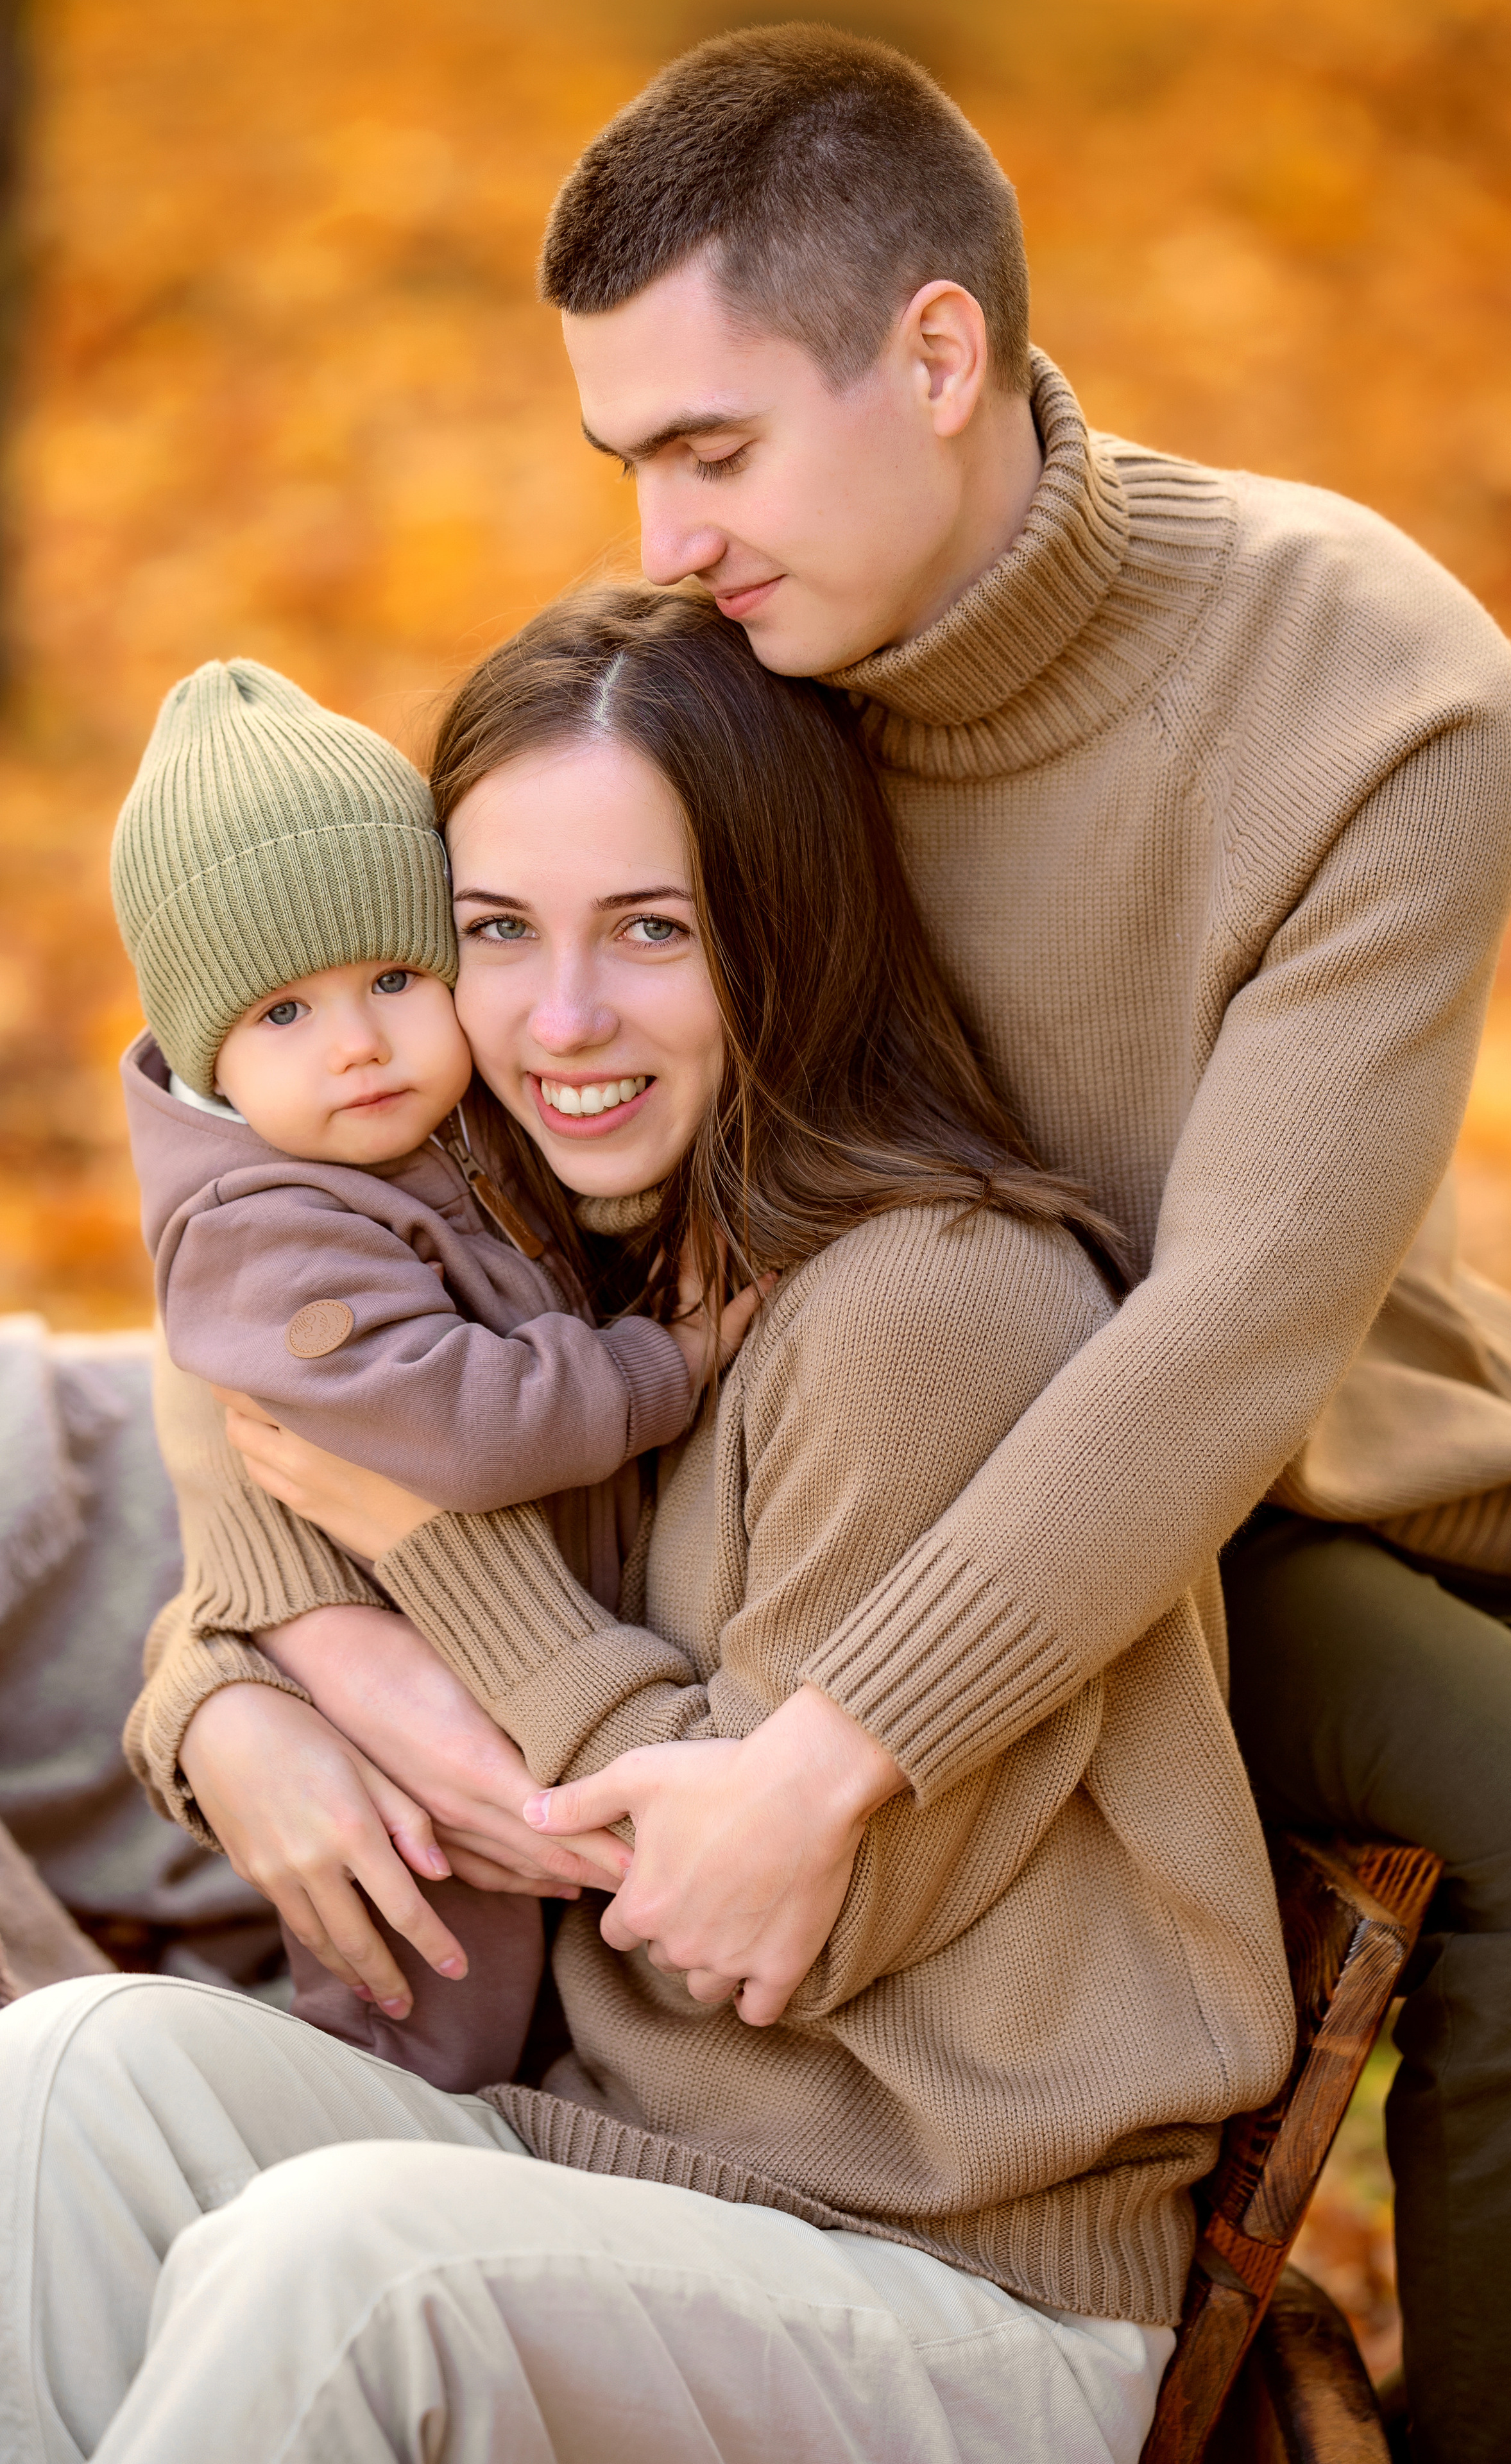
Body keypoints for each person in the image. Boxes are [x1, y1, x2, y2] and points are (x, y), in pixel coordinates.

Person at [235, 26, 1511, 2464]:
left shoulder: (1368, 692)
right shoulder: (720, 684)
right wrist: (225, 1672)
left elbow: (1230, 1338)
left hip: (1290, 1485)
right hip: (827, 1451)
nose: (663, 536)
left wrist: (828, 1758)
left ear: (938, 351)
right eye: (632, 462)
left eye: (713, 445)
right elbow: (329, 1187)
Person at [0, 583, 1293, 2464]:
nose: (563, 1017)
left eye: (654, 933)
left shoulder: (931, 1306)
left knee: (352, 2269)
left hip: (955, 2284)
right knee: (57, 2081)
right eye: (494, 935)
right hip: (624, 2158)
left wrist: (431, 1542)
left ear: (781, 935)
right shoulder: (581, 1256)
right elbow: (258, 1358)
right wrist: (230, 1694)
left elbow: (752, 1931)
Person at [110, 654, 747, 2081]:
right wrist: (670, 1359)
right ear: (214, 1059)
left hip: (538, 1667)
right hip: (407, 1724)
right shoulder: (263, 1229)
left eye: (396, 978)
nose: (357, 1047)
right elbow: (470, 1427)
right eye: (284, 1016)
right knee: (423, 1980)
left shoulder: (431, 1142)